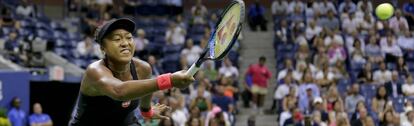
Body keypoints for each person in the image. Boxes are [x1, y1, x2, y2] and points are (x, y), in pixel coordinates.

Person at [69, 18, 195, 126]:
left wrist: (147, 111)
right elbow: (119, 91)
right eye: (117, 39)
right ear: (103, 48)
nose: (125, 43)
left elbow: (146, 94)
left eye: (129, 37)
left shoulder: (143, 69)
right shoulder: (94, 71)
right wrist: (170, 80)